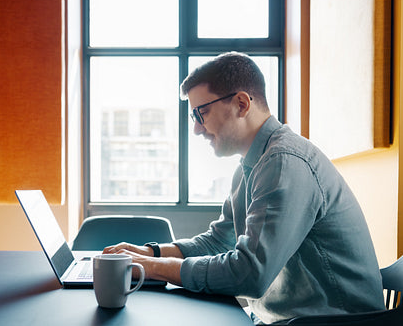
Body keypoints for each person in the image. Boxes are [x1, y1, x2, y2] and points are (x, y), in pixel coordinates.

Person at [103, 52, 385, 324]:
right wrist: (148, 253)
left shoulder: (284, 163)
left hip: (331, 322)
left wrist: (148, 268)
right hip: (283, 319)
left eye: (202, 113)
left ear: (241, 104)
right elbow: (217, 242)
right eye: (194, 117)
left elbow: (250, 274)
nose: (197, 129)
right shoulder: (252, 166)